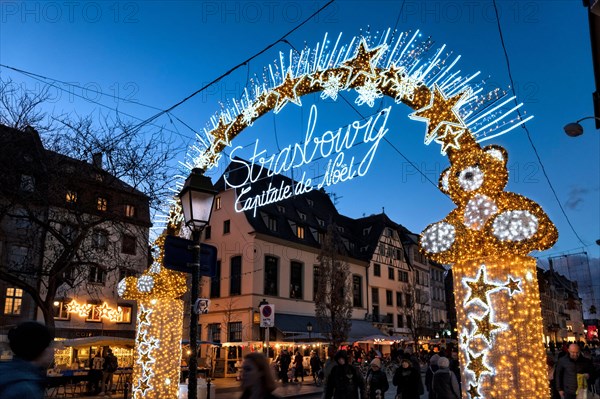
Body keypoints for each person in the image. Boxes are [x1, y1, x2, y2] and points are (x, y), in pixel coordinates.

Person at [0, 321, 54, 399]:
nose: (52, 350)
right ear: (41, 349)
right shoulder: (26, 389)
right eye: (49, 345)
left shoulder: (7, 371)